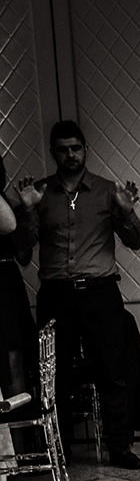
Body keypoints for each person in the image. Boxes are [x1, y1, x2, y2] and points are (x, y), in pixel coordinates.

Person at [11, 120, 140, 469]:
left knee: (112, 371)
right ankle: (61, 449)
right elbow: (22, 252)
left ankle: (120, 447)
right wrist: (27, 211)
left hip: (101, 293)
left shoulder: (107, 191)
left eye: (75, 148)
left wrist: (127, 211)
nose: (70, 154)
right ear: (53, 153)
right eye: (63, 149)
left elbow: (135, 241)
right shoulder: (40, 194)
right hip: (56, 295)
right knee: (55, 376)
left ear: (85, 150)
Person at [1, 155, 37, 410]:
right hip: (6, 284)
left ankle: (20, 428)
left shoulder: (9, 208)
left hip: (5, 285)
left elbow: (24, 256)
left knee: (14, 358)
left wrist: (27, 212)